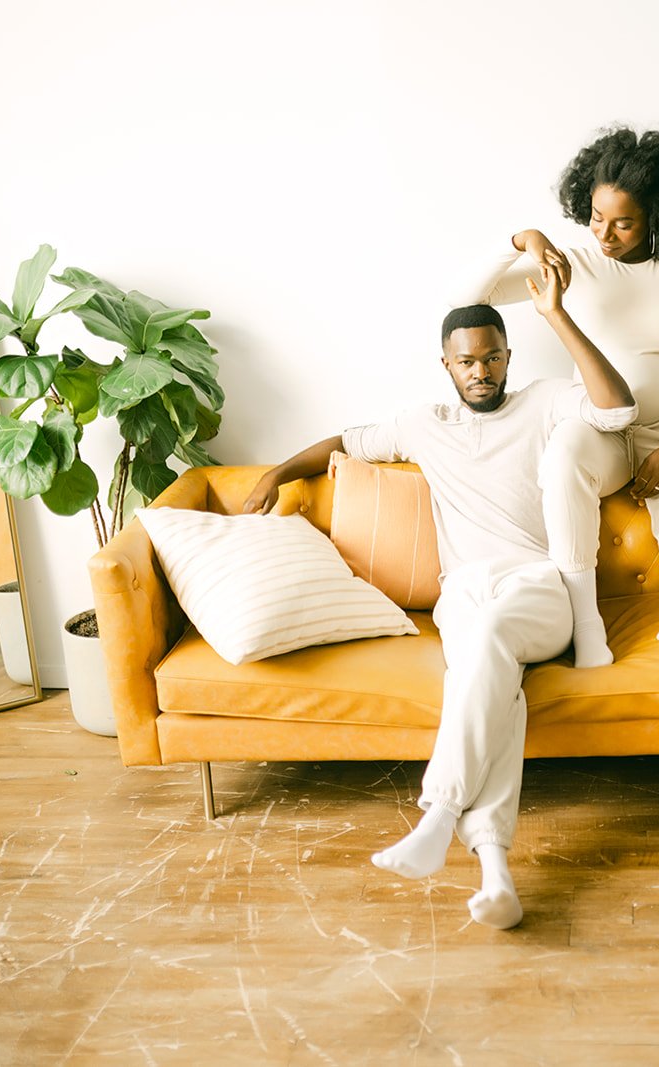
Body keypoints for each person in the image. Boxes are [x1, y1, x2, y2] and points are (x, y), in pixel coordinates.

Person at [241, 266, 634, 930]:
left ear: (507, 356)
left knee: (487, 649)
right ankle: (495, 872)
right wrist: (278, 472)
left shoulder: (543, 402)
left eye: (490, 358)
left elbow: (618, 407)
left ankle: (440, 811)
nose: (480, 371)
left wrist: (557, 316)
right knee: (493, 679)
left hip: (538, 585)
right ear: (445, 365)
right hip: (465, 595)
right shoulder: (422, 423)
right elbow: (342, 440)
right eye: (466, 362)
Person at [456, 125, 659, 716]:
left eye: (623, 223)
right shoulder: (576, 264)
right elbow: (468, 300)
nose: (604, 235)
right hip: (604, 431)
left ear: (658, 217)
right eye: (595, 217)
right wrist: (524, 239)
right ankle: (588, 632)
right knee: (563, 454)